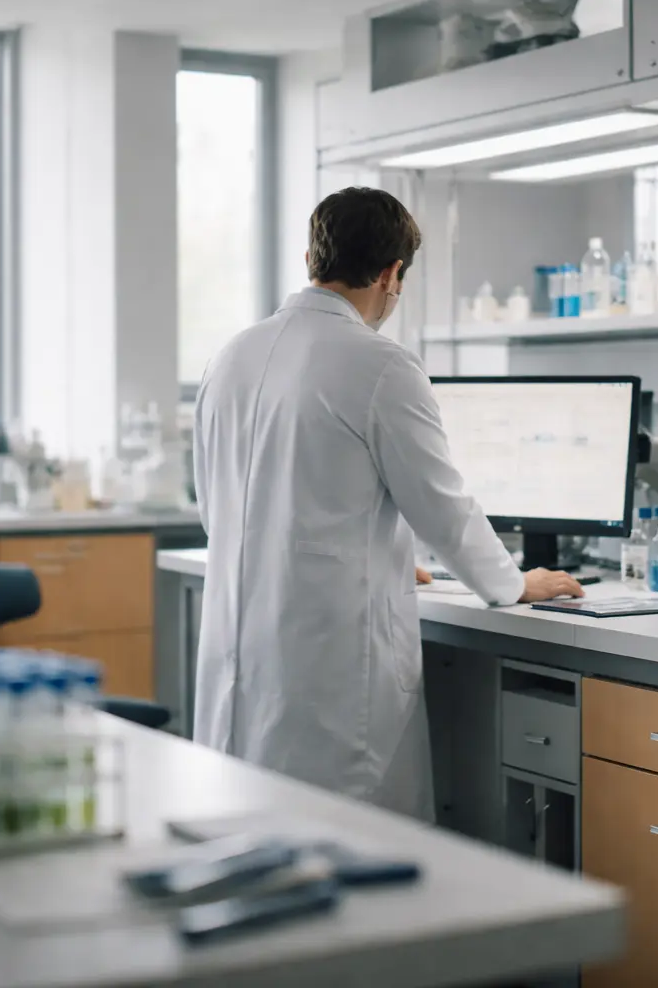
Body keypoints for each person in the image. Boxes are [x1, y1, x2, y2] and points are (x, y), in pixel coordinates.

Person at [191, 187, 584, 820]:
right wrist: (512, 584)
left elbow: (224, 511)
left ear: (314, 255)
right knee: (348, 840)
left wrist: (375, 557)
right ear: (391, 274)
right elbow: (442, 506)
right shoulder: (379, 364)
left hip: (241, 644)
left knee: (250, 829)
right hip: (328, 666)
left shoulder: (230, 355)